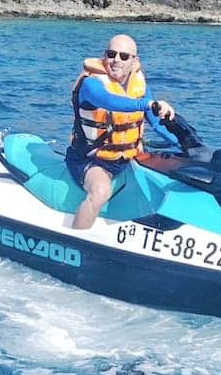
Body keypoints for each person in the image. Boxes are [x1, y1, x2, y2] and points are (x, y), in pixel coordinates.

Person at [66, 34, 178, 229]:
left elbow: (157, 125)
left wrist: (185, 145)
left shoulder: (139, 87)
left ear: (135, 60)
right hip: (89, 159)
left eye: (124, 56)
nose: (116, 60)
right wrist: (148, 103)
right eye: (111, 54)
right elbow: (110, 102)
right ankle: (74, 243)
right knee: (100, 192)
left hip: (125, 158)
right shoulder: (91, 84)